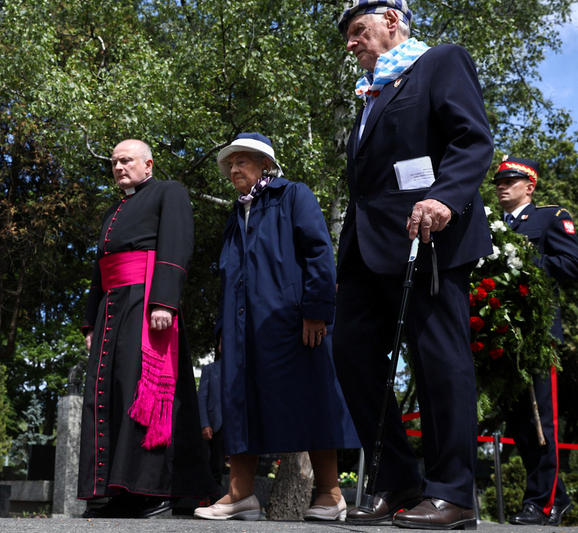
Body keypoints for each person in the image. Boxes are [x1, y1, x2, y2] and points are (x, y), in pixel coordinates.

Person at [333, 0, 494, 529]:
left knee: (437, 360)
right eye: (349, 37)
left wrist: (446, 197)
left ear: (392, 21)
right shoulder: (373, 93)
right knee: (351, 351)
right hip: (366, 249)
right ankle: (398, 480)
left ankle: (453, 492)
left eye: (359, 31)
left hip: (428, 235)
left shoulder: (439, 61)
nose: (351, 43)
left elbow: (471, 137)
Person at [194, 133, 360, 521]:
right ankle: (240, 495)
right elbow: (227, 275)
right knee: (241, 402)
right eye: (230, 164)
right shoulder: (236, 215)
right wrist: (222, 330)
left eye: (243, 162)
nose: (234, 169)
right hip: (242, 329)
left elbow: (319, 250)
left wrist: (317, 310)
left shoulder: (292, 195)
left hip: (294, 322)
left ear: (265, 164)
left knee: (311, 397)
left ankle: (330, 493)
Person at [78, 139, 216, 518]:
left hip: (145, 303)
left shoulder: (168, 192)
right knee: (112, 394)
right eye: (114, 162)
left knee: (142, 391)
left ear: (148, 165)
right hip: (112, 308)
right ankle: (119, 490)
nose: (119, 167)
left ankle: (153, 490)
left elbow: (177, 243)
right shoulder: (114, 209)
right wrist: (91, 321)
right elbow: (100, 270)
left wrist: (164, 301)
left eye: (127, 160)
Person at [493, 155, 578, 525]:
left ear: (530, 186)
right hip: (501, 336)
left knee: (542, 420)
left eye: (510, 180)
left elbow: (572, 264)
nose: (502, 186)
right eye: (498, 181)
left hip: (538, 335)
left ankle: (541, 502)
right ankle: (556, 498)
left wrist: (525, 263)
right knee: (520, 423)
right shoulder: (489, 225)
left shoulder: (549, 217)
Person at [197, 358, 224, 495]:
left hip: (236, 424)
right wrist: (205, 424)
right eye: (221, 342)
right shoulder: (209, 369)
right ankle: (214, 498)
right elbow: (202, 398)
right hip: (216, 425)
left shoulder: (241, 367)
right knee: (215, 464)